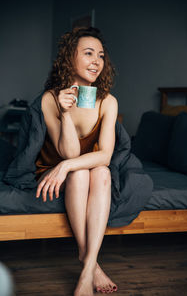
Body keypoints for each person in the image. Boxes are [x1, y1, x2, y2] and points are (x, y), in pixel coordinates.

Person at [35, 27, 118, 296]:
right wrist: (65, 114)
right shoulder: (50, 99)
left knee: (102, 172)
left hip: (84, 166)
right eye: (88, 53)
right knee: (82, 173)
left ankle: (87, 267)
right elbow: (68, 154)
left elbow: (105, 155)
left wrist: (68, 166)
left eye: (101, 55)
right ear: (70, 58)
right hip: (55, 165)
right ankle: (91, 263)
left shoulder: (108, 102)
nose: (97, 61)